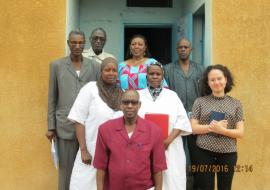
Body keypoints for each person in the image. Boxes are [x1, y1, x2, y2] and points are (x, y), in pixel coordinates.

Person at [46, 30, 100, 190]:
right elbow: (52, 97)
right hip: (65, 126)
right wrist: (51, 126)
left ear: (85, 43)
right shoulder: (56, 65)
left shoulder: (95, 66)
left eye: (80, 42)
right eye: (73, 42)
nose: (77, 46)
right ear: (68, 43)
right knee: (66, 171)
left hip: (88, 127)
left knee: (88, 170)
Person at [67, 57, 123, 190]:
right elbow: (79, 119)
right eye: (107, 70)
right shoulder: (90, 89)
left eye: (114, 70)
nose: (111, 73)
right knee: (84, 184)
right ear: (100, 72)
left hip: (114, 155)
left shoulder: (123, 94)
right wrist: (84, 150)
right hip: (91, 151)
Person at [93, 90, 167, 190]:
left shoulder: (154, 131)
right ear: (120, 104)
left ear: (139, 105)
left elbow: (158, 168)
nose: (130, 106)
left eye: (134, 102)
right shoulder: (105, 129)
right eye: (126, 102)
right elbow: (100, 166)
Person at [138, 62, 192, 190]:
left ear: (163, 77)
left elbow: (182, 120)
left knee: (172, 178)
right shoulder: (138, 95)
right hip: (144, 146)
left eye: (158, 74)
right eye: (151, 74)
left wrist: (167, 141)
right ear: (146, 76)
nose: (155, 76)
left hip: (170, 146)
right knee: (146, 179)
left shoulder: (172, 96)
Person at [191, 64, 244, 190]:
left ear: (226, 79)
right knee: (205, 187)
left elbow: (241, 132)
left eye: (219, 78)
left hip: (228, 154)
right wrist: (211, 127)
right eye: (212, 80)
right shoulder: (199, 102)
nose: (216, 82)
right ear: (208, 83)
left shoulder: (236, 104)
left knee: (225, 187)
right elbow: (193, 128)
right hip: (203, 152)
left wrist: (222, 130)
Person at [164, 37, 204, 189]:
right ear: (176, 49)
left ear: (191, 49)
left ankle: (196, 185)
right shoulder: (167, 69)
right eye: (180, 47)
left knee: (197, 155)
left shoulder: (200, 69)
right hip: (175, 120)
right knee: (175, 156)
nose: (183, 49)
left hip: (196, 118)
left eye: (186, 47)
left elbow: (205, 93)